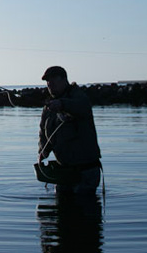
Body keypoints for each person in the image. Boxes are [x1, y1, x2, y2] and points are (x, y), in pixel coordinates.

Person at [37, 65, 102, 195]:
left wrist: (62, 105)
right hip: (63, 171)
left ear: (64, 80)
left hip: (86, 170)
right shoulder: (49, 107)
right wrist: (42, 151)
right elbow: (43, 132)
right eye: (48, 81)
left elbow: (81, 107)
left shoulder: (78, 96)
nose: (50, 84)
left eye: (53, 80)